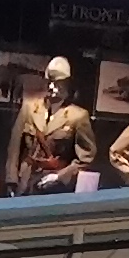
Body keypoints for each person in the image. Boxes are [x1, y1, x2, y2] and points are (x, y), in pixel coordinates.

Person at [9, 55, 96, 194]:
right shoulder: (29, 108)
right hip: (25, 182)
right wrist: (11, 181)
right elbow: (14, 147)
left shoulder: (78, 116)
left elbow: (86, 158)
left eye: (58, 83)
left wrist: (59, 177)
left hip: (55, 188)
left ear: (68, 84)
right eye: (49, 82)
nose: (51, 87)